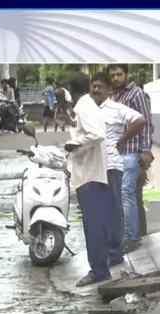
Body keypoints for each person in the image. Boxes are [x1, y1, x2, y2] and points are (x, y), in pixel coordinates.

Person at [89, 71, 147, 268]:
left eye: (100, 87)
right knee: (100, 212)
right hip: (94, 167)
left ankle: (116, 254)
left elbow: (140, 120)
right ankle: (107, 252)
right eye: (94, 86)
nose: (96, 90)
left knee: (114, 210)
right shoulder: (88, 110)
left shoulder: (116, 108)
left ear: (108, 90)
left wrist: (123, 140)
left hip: (112, 166)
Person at [62, 72, 111, 287]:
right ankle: (99, 268)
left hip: (90, 176)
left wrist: (74, 144)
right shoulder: (87, 106)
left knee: (94, 226)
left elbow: (97, 134)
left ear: (72, 89)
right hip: (90, 174)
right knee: (95, 224)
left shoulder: (84, 107)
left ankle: (99, 270)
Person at [108, 64, 154, 252]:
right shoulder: (114, 96)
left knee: (127, 194)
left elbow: (147, 122)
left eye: (119, 74)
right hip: (118, 154)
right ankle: (135, 235)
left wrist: (145, 151)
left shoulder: (136, 94)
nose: (116, 78)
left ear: (127, 75)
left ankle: (132, 237)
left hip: (133, 151)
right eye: (112, 75)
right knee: (130, 195)